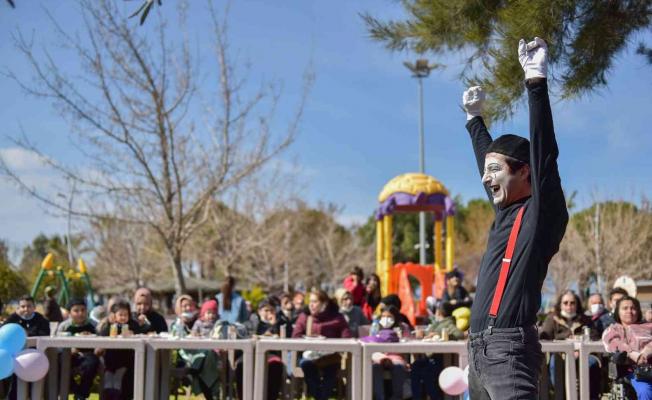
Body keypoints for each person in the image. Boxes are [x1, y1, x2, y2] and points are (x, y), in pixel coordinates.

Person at [462, 37, 568, 399]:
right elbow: (488, 159)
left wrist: (535, 82)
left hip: (509, 351)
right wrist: (474, 120)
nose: (485, 178)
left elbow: (545, 153)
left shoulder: (541, 213)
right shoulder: (505, 212)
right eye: (486, 171)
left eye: (495, 170)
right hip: (477, 351)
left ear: (525, 171)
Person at [540, 290, 600, 400]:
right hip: (560, 355)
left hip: (583, 354)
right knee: (554, 364)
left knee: (592, 363)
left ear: (577, 304)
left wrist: (579, 347)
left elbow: (595, 337)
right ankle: (561, 396)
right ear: (560, 304)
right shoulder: (552, 319)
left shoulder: (585, 319)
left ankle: (589, 397)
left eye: (572, 303)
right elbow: (544, 337)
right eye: (565, 303)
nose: (569, 306)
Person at [292, 289, 351, 400]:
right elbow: (296, 336)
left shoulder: (337, 317)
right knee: (306, 365)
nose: (311, 305)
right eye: (310, 301)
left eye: (315, 302)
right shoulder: (305, 316)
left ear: (324, 303)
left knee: (331, 369)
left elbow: (347, 337)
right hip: (309, 356)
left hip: (330, 357)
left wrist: (331, 343)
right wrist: (308, 340)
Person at [602, 295, 652, 400]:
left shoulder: (648, 326)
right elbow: (615, 344)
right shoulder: (612, 330)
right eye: (625, 308)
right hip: (635, 372)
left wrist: (646, 352)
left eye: (633, 308)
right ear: (618, 312)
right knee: (645, 390)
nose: (629, 311)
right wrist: (632, 353)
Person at [412, 302, 465, 400]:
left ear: (439, 312)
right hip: (432, 357)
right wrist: (425, 333)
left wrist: (439, 335)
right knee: (416, 366)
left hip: (440, 359)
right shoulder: (439, 323)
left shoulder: (448, 323)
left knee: (425, 371)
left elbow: (459, 334)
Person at [361, 305, 410, 400]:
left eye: (389, 316)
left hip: (396, 357)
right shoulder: (376, 326)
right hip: (379, 356)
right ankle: (380, 397)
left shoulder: (403, 327)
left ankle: (397, 397)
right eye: (383, 316)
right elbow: (371, 341)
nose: (386, 319)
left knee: (398, 367)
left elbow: (408, 343)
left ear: (395, 317)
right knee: (375, 367)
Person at [56, 298, 100, 400]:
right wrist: (70, 349)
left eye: (83, 310)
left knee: (92, 363)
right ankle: (76, 390)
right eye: (76, 311)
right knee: (58, 362)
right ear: (69, 313)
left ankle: (81, 395)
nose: (80, 313)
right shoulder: (64, 326)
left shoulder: (94, 325)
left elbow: (101, 340)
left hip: (89, 355)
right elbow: (57, 344)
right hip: (69, 355)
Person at [97, 300, 140, 400]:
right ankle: (108, 395)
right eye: (120, 315)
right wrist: (110, 324)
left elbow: (139, 332)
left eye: (126, 315)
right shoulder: (110, 326)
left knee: (118, 380)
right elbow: (102, 336)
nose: (123, 317)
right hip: (110, 361)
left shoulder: (132, 325)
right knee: (108, 380)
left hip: (124, 361)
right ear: (114, 315)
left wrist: (132, 333)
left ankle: (116, 396)